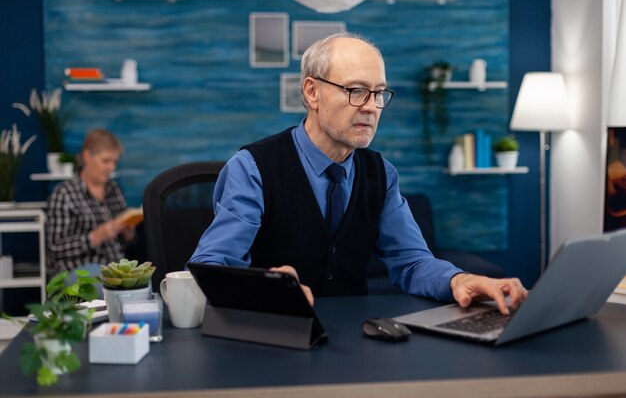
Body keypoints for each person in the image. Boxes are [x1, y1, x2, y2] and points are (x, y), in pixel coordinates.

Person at [190, 32, 527, 314]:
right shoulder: (252, 167)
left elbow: (412, 263)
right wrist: (267, 289)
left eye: (379, 93)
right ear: (312, 92)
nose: (371, 106)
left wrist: (459, 281)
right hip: (272, 338)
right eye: (356, 91)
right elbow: (211, 267)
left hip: (356, 341)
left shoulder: (381, 174)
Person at [46, 128, 135, 295]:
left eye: (114, 162)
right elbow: (55, 248)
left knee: (146, 283)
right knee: (103, 285)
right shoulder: (64, 193)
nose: (111, 168)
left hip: (113, 267)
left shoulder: (114, 189)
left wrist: (128, 233)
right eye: (105, 161)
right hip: (76, 269)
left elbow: (125, 241)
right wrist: (95, 237)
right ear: (87, 156)